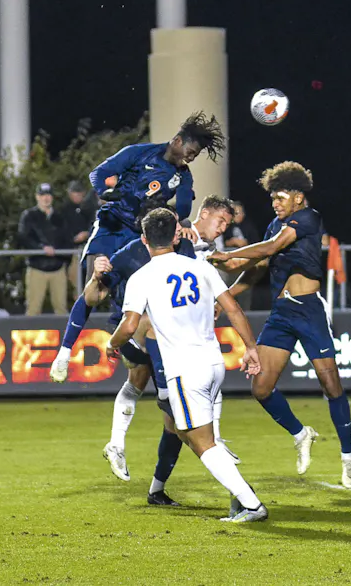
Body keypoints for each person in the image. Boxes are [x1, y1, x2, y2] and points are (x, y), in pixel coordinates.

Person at [51, 196, 237, 482]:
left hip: (168, 339)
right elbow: (91, 298)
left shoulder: (186, 248)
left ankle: (138, 467)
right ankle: (174, 407)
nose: (180, 229)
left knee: (144, 391)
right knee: (153, 332)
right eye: (175, 225)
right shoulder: (129, 255)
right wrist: (96, 278)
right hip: (133, 332)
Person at [108, 208, 267, 523]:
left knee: (201, 442)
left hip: (184, 368)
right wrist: (251, 348)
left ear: (144, 240)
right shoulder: (200, 267)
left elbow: (128, 328)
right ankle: (238, 495)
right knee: (182, 430)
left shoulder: (142, 277)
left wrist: (111, 344)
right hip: (213, 362)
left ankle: (250, 503)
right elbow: (233, 308)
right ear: (177, 235)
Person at [211, 162, 351, 490]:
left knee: (330, 382)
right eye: (272, 199)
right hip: (282, 313)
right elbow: (256, 267)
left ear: (299, 197)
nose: (275, 203)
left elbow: (271, 248)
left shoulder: (308, 218)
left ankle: (347, 455)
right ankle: (301, 433)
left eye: (280, 197)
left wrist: (227, 256)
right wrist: (226, 291)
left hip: (308, 310)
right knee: (261, 387)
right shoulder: (273, 227)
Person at [84, 112, 226, 275]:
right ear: (177, 141)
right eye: (191, 151)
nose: (191, 158)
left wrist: (165, 211)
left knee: (131, 287)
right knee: (95, 271)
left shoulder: (184, 176)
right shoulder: (139, 153)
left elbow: (184, 209)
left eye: (195, 155)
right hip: (113, 222)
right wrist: (105, 192)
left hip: (142, 233)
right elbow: (97, 174)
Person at [19, 183, 69, 316]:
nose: (45, 198)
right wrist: (41, 248)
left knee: (61, 309)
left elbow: (66, 238)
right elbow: (24, 238)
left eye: (48, 195)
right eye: (42, 195)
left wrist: (58, 251)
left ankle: (65, 337)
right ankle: (29, 337)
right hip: (37, 267)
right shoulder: (28, 216)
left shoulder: (60, 217)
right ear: (37, 197)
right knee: (33, 310)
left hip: (58, 267)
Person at [61, 180, 95, 296]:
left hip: (89, 251)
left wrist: (87, 234)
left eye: (79, 192)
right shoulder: (64, 210)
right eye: (74, 192)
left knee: (91, 284)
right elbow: (62, 232)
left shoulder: (89, 208)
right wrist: (73, 239)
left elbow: (95, 225)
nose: (77, 195)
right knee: (77, 284)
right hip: (73, 252)